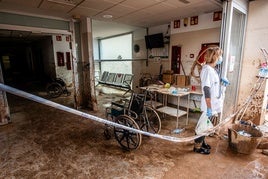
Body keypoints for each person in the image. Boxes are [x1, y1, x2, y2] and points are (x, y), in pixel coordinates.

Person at [194, 46, 229, 155]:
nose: (221, 58)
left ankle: (202, 142)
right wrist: (209, 107)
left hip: (213, 104)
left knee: (207, 126)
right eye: (220, 56)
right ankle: (197, 147)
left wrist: (221, 81)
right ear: (215, 57)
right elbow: (206, 89)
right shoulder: (207, 70)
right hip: (208, 105)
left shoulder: (213, 69)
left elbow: (214, 86)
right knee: (203, 126)